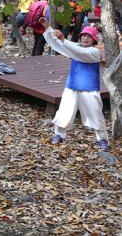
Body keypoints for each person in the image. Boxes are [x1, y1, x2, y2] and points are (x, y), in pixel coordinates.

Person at [42, 22, 109, 150]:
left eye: (89, 36)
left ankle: (102, 140)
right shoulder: (75, 47)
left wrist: (62, 39)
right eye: (84, 35)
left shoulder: (94, 52)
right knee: (64, 113)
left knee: (96, 115)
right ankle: (58, 134)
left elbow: (75, 50)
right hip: (72, 86)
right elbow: (59, 45)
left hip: (89, 88)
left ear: (94, 40)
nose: (85, 38)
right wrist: (47, 29)